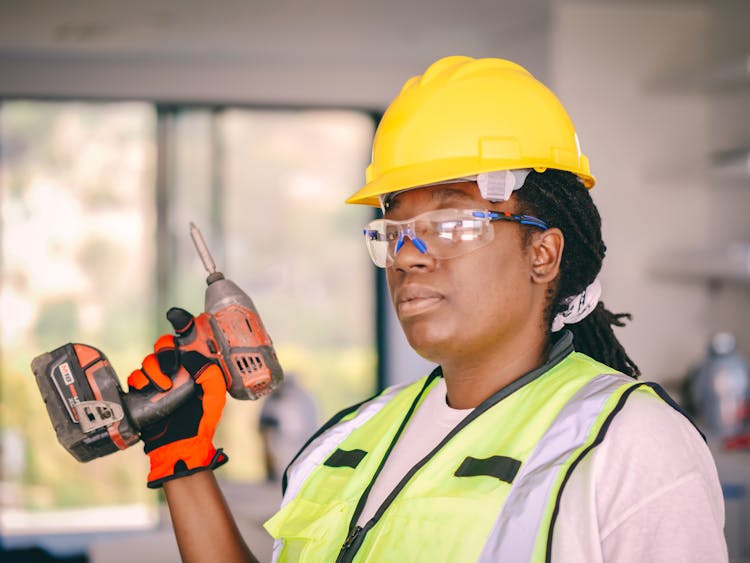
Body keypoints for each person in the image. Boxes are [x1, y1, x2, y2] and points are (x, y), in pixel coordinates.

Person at [128, 56, 728, 562]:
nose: (409, 257)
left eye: (451, 223)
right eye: (394, 232)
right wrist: (183, 460)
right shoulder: (349, 438)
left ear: (542, 252)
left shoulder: (629, 444)